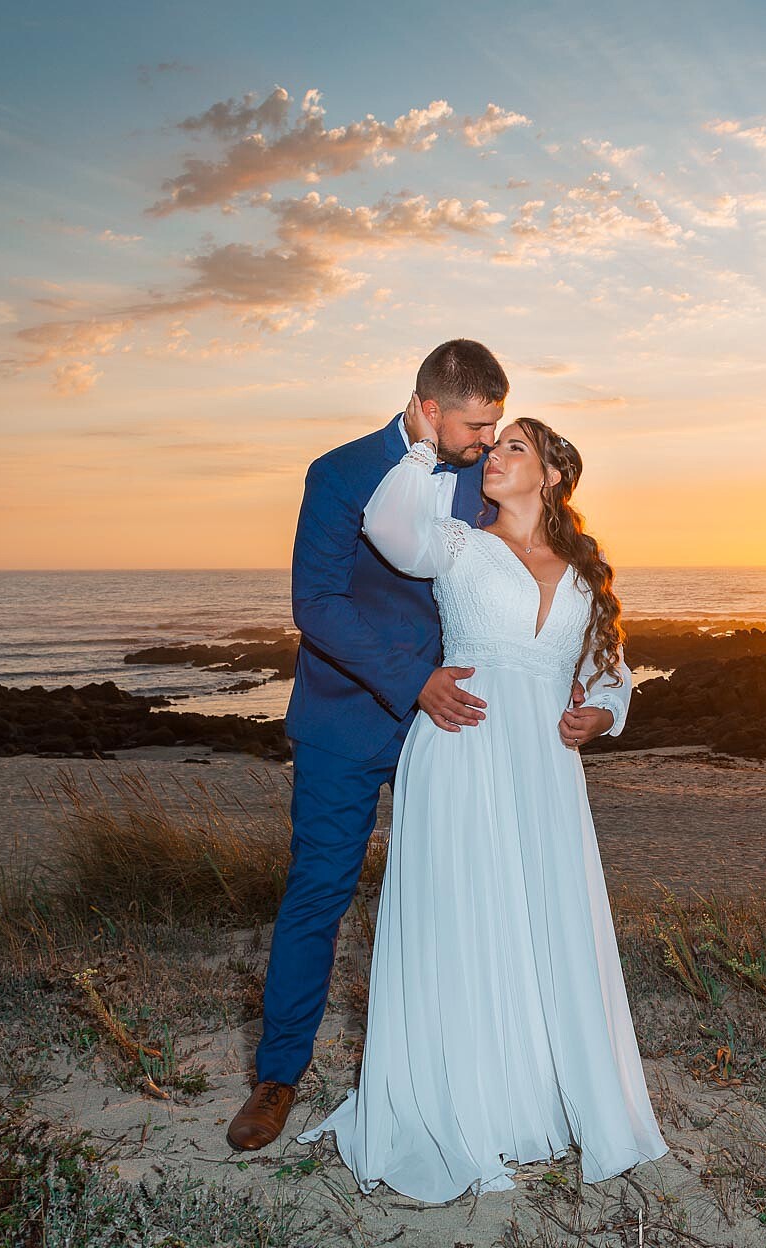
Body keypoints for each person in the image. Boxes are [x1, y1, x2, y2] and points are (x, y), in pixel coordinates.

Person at [227, 339, 630, 1151]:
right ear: (430, 409)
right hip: (352, 719)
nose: (488, 442)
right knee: (318, 892)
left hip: (464, 733)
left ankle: (479, 1071)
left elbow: (528, 593)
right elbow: (320, 603)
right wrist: (414, 679)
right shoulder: (341, 473)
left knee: (473, 899)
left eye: (498, 430)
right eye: (478, 425)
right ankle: (277, 1078)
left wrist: (584, 693)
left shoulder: (486, 485)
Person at [290, 401, 669, 1201]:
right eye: (489, 444)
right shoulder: (456, 542)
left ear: (553, 474)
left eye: (514, 447)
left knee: (539, 916)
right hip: (461, 751)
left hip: (545, 768)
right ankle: (461, 1097)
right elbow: (391, 527)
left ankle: (532, 1087)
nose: (491, 455)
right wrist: (424, 449)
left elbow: (611, 671)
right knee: (461, 913)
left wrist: (600, 713)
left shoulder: (587, 578)